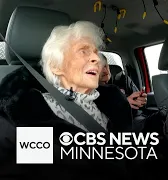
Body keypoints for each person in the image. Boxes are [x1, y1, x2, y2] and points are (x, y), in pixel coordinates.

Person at [0, 21, 132, 179]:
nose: (96, 58)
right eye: (83, 51)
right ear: (56, 66)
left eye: (96, 53)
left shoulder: (113, 105)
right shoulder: (26, 112)